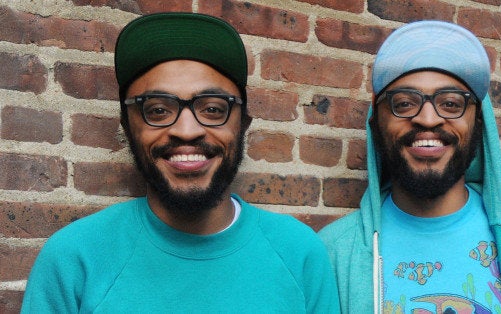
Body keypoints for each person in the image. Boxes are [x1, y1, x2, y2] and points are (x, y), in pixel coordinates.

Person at [21, 12, 339, 313]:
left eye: (213, 109)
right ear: (127, 125)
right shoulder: (74, 260)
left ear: (243, 124)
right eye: (157, 110)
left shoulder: (300, 254)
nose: (186, 131)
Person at [319, 20, 501, 313]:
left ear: (478, 124)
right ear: (376, 122)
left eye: (450, 103)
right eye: (404, 103)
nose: (427, 118)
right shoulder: (333, 251)